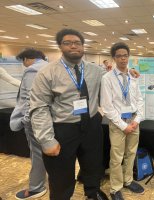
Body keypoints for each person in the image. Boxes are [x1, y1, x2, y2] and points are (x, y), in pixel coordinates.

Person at [29, 29, 108, 200]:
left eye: (77, 42)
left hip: (92, 125)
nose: (73, 46)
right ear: (60, 46)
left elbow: (113, 82)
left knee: (93, 164)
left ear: (83, 46)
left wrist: (128, 73)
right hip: (64, 128)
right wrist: (46, 139)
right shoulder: (47, 73)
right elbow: (38, 107)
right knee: (61, 174)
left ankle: (92, 191)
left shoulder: (96, 70)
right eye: (67, 43)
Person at [100, 42, 144, 200]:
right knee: (117, 157)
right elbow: (107, 106)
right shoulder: (107, 78)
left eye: (125, 55)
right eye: (119, 56)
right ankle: (115, 188)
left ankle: (128, 180)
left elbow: (139, 100)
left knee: (131, 153)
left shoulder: (133, 76)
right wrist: (123, 125)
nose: (123, 59)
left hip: (133, 120)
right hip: (118, 122)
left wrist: (137, 120)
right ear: (114, 58)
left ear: (128, 57)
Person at [9, 48, 48, 200]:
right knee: (47, 151)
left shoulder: (32, 70)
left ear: (27, 59)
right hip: (50, 120)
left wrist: (26, 119)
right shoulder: (52, 67)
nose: (24, 65)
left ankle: (36, 188)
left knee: (37, 154)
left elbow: (31, 100)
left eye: (23, 62)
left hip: (35, 121)